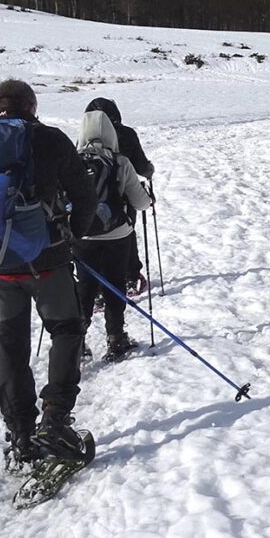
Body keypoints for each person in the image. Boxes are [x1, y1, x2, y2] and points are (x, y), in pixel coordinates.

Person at [0, 80, 97, 467]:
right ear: (32, 105)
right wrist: (72, 234)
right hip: (47, 259)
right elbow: (85, 195)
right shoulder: (49, 138)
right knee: (66, 330)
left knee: (8, 348)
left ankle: (21, 434)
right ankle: (55, 421)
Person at [74, 110, 152, 361]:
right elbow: (140, 203)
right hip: (117, 235)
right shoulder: (120, 162)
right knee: (114, 284)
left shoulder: (71, 161)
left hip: (81, 235)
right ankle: (116, 339)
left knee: (84, 286)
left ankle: (77, 342)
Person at [84, 98, 153, 294]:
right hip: (125, 195)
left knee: (93, 236)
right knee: (125, 235)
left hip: (92, 200)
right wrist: (149, 172)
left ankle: (96, 287)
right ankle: (130, 277)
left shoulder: (84, 139)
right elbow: (141, 165)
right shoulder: (127, 134)